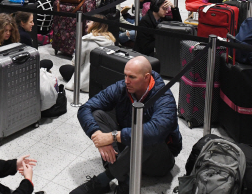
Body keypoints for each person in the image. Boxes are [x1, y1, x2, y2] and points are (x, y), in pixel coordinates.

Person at [72, 56, 181, 194]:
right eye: (125, 75)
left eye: (132, 77)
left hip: (158, 159)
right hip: (128, 146)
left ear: (147, 77)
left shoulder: (164, 97)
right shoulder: (122, 87)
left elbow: (156, 131)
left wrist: (112, 137)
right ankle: (124, 178)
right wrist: (98, 135)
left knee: (148, 136)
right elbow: (85, 108)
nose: (126, 81)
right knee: (97, 115)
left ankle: (104, 179)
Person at [60, 15, 115, 93]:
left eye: (89, 22)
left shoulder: (86, 40)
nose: (87, 24)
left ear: (95, 24)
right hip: (102, 81)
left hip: (86, 81)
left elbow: (77, 62)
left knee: (63, 68)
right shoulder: (110, 40)